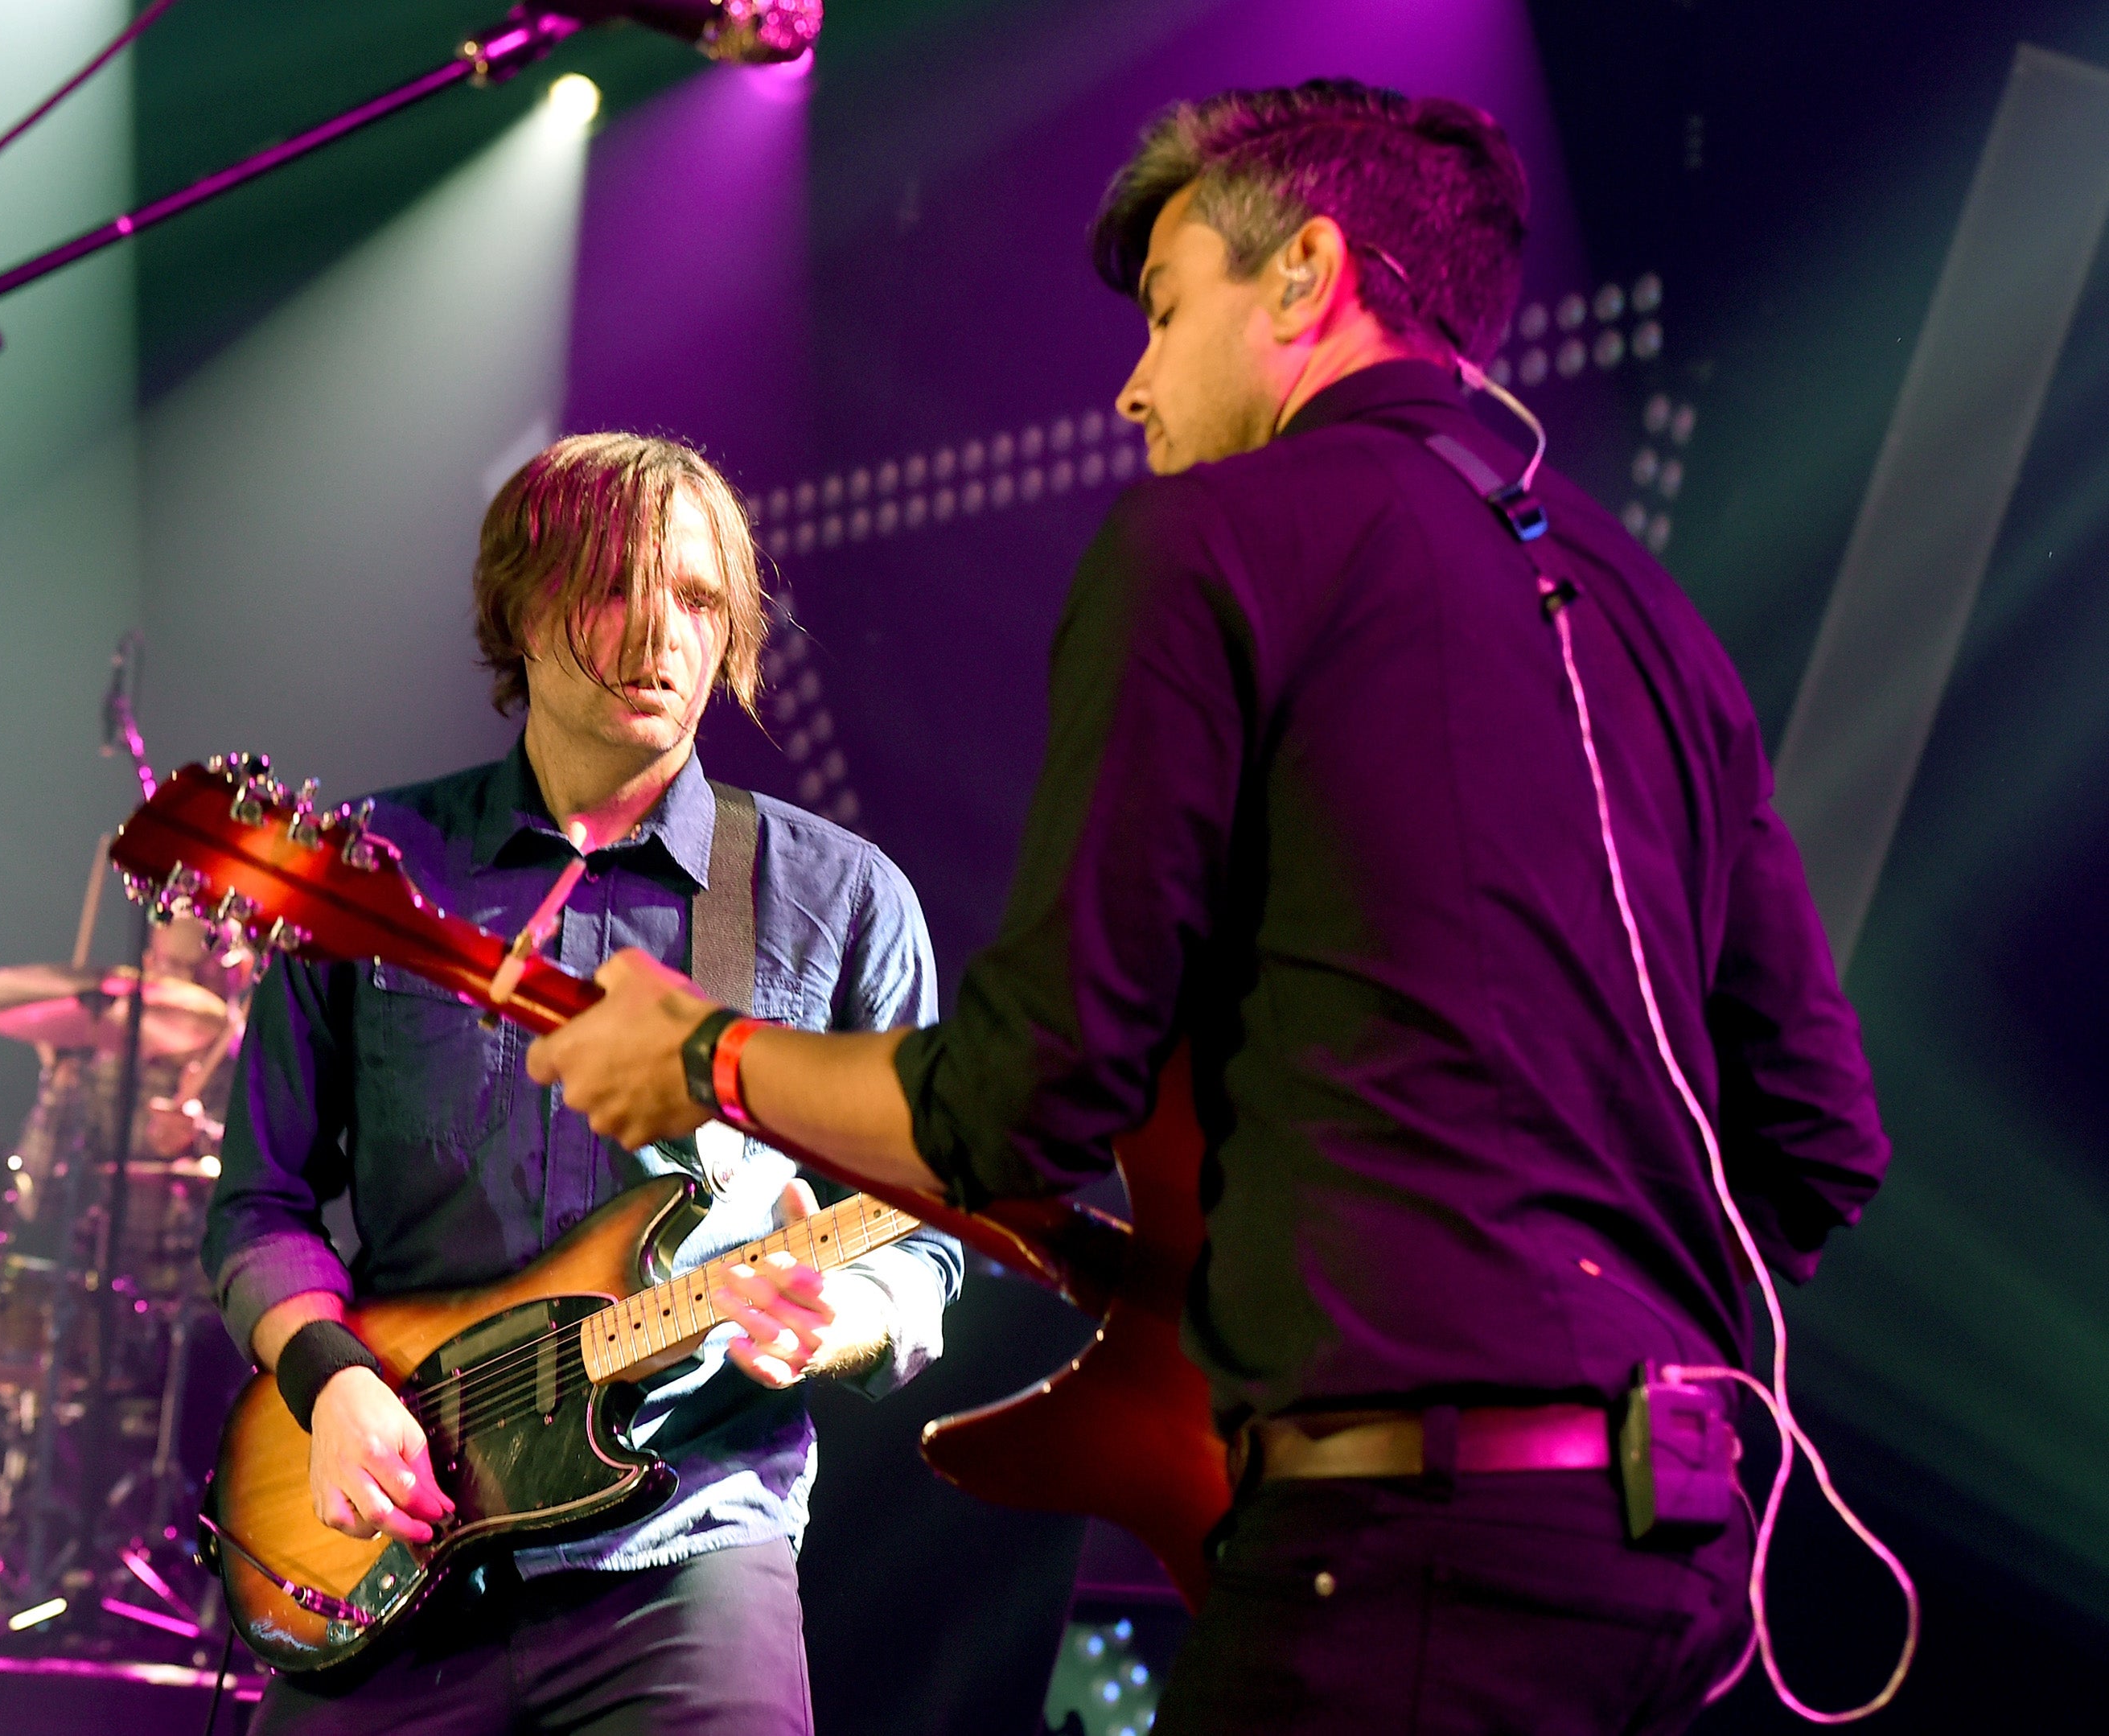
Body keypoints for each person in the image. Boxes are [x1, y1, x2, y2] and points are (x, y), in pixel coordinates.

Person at [524, 81, 1893, 1734]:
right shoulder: (1654, 616)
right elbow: (1818, 1146)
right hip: (1674, 1559)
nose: (1132, 380)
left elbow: (1026, 1102)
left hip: (1406, 1542)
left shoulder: (1212, 539)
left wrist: (706, 1054)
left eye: (1169, 312)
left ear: (1307, 275)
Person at [203, 431, 962, 1734]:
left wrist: (851, 1314)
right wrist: (332, 1384)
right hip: (388, 1553)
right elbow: (256, 1205)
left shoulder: (838, 897)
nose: (658, 632)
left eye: (698, 597)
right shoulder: (376, 871)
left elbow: (935, 1213)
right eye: (615, 585)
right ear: (520, 602)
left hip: (686, 1539)